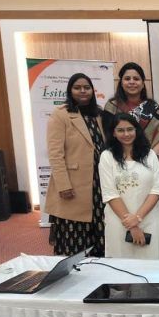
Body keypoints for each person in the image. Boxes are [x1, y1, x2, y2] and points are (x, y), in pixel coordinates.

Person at [102, 62, 159, 240]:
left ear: (142, 82)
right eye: (127, 78)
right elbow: (108, 135)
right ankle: (128, 225)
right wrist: (127, 158)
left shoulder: (152, 107)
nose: (132, 82)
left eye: (136, 78)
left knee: (152, 202)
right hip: (119, 161)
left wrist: (149, 157)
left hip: (148, 162)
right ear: (121, 82)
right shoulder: (112, 106)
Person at [45, 73, 106, 257]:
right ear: (70, 90)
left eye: (86, 87)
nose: (82, 91)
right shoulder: (61, 114)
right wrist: (63, 185)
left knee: (100, 232)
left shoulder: (98, 114)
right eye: (77, 88)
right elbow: (55, 154)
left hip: (99, 184)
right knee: (75, 236)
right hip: (73, 184)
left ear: (92, 91)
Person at [99, 113, 159, 259]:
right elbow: (110, 194)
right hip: (119, 221)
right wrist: (132, 225)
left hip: (150, 218)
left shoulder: (150, 155)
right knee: (121, 266)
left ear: (137, 130)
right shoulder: (107, 156)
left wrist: (138, 218)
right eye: (120, 130)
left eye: (130, 129)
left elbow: (157, 190)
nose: (126, 134)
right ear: (113, 133)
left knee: (153, 264)